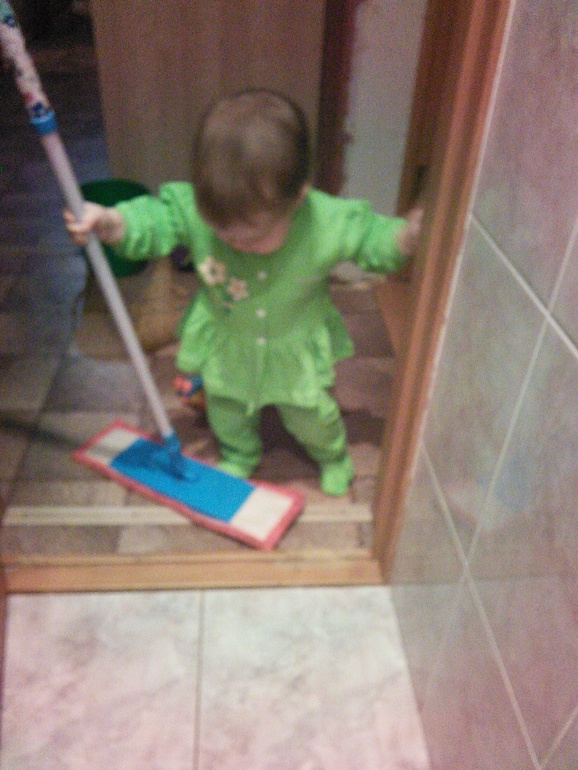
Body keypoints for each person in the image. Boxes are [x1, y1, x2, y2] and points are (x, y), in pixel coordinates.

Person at [66, 88, 422, 496]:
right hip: (227, 341)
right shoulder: (197, 210)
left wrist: (405, 239)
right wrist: (114, 223)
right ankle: (240, 453)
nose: (234, 242)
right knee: (226, 409)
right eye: (220, 230)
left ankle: (332, 455)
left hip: (294, 346)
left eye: (251, 234)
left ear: (298, 199)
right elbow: (156, 219)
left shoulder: (326, 220)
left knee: (311, 413)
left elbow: (371, 237)